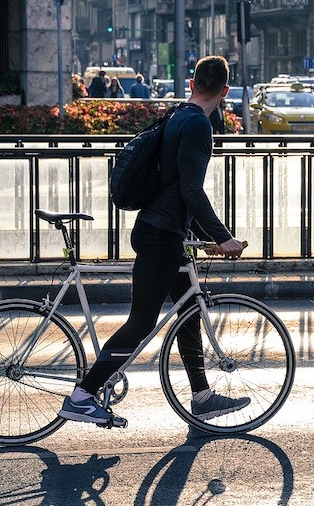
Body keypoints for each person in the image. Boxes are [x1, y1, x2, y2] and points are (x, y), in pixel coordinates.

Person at [58, 55, 247, 426]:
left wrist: (195, 236)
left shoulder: (179, 114)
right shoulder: (197, 126)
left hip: (167, 232)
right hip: (160, 236)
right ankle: (83, 395)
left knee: (188, 313)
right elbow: (192, 190)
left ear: (192, 83)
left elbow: (173, 186)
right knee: (141, 322)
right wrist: (223, 237)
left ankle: (202, 396)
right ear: (225, 92)